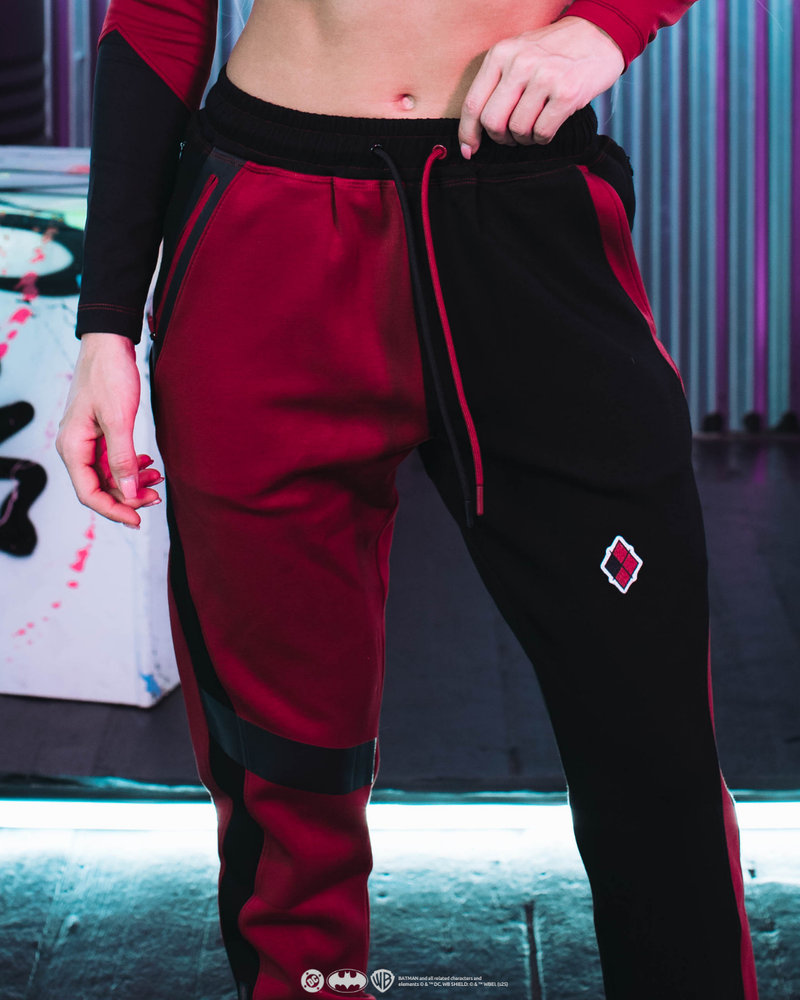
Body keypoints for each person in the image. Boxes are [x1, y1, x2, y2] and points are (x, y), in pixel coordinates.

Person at [55, 1, 760, 997]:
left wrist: (608, 25)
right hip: (265, 234)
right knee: (282, 780)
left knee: (651, 755)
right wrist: (105, 324)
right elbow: (157, 16)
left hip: (524, 215)